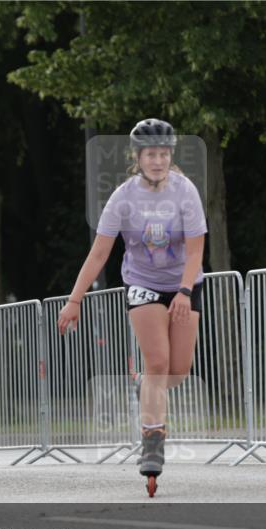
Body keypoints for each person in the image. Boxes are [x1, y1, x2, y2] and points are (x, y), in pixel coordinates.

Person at [57, 118, 207, 496]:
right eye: (150, 154)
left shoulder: (185, 191)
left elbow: (195, 250)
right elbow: (100, 253)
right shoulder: (123, 197)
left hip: (185, 285)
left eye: (163, 153)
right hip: (142, 284)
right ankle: (152, 441)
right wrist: (75, 299)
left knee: (177, 372)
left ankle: (145, 386)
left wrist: (185, 292)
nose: (157, 160)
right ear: (137, 157)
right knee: (157, 362)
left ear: (171, 155)